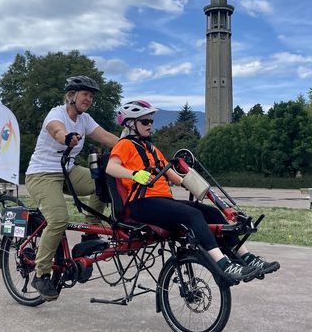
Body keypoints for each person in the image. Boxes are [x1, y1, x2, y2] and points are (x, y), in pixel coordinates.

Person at [105, 100, 280, 284]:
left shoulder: (153, 149)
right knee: (193, 215)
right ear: (131, 124)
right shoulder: (124, 145)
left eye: (151, 121)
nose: (150, 125)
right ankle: (223, 265)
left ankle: (247, 257)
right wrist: (134, 174)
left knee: (211, 212)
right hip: (141, 204)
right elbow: (111, 167)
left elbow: (174, 176)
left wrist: (196, 187)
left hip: (162, 201)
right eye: (145, 122)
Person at [27, 75, 119, 301]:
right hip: (42, 173)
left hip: (67, 171)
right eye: (85, 94)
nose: (89, 99)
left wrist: (134, 146)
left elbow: (107, 138)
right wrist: (65, 137)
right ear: (71, 96)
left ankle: (90, 232)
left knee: (105, 178)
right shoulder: (56, 114)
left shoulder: (85, 119)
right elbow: (57, 130)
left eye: (91, 96)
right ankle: (41, 274)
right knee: (58, 219)